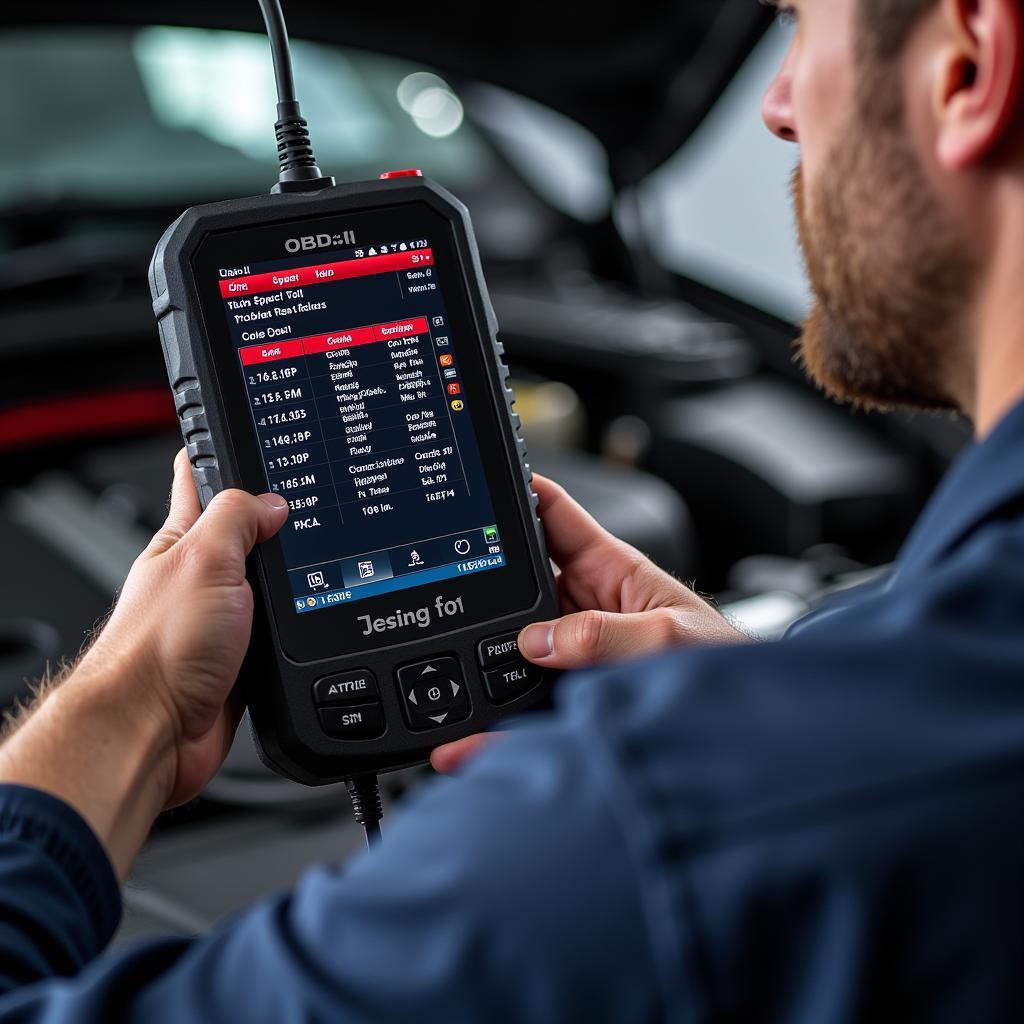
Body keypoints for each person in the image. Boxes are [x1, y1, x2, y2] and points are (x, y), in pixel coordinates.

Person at [1, 0, 1023, 1017]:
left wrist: (128, 702)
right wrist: (774, 716)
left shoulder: (625, 840)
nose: (777, 103)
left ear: (969, 62)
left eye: (801, 24)